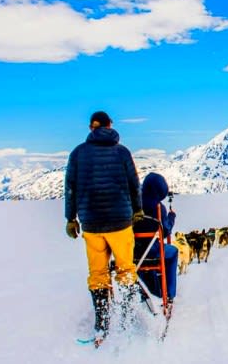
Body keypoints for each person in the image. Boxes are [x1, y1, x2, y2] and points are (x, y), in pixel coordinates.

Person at [64, 111, 143, 345]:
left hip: (91, 223)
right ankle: (127, 319)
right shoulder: (122, 152)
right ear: (111, 125)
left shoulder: (78, 153)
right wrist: (137, 210)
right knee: (126, 269)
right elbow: (134, 184)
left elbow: (70, 188)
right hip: (120, 222)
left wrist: (71, 219)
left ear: (91, 127)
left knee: (97, 275)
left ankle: (102, 323)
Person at [136, 172, 179, 304]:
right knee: (173, 252)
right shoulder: (159, 208)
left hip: (130, 250)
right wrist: (172, 217)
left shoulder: (131, 203)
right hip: (152, 250)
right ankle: (169, 294)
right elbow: (165, 231)